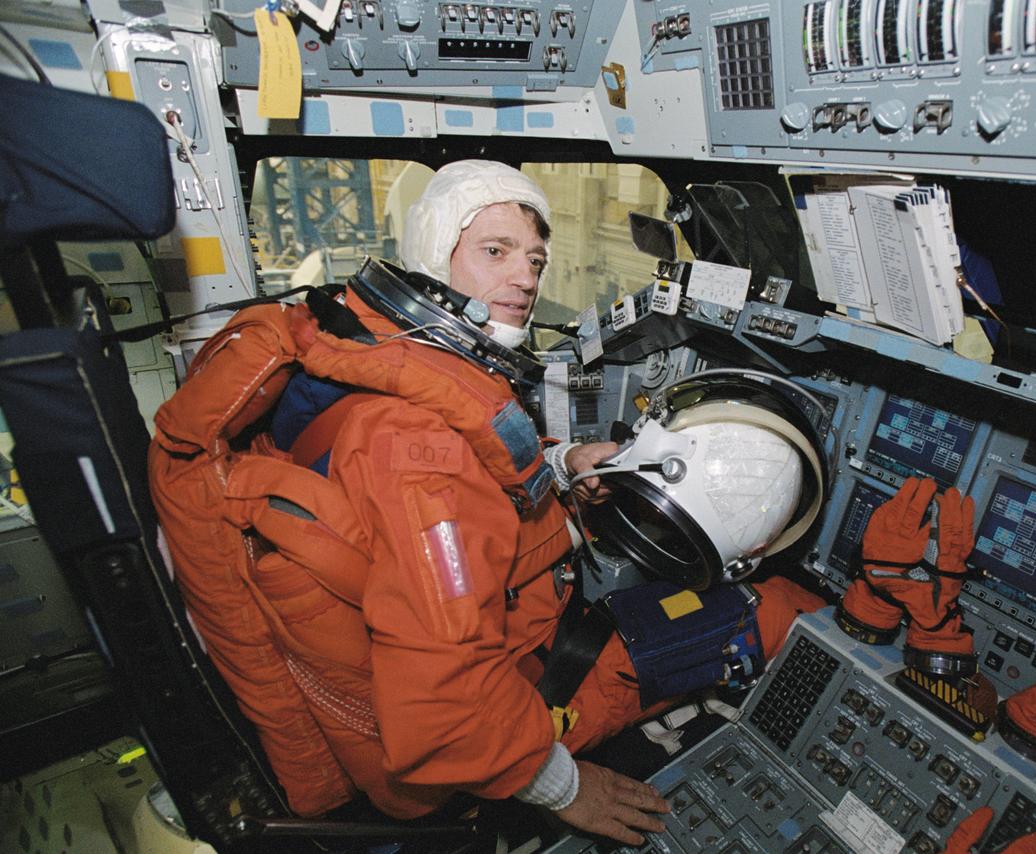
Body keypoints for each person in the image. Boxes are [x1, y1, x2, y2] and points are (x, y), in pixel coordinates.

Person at [150, 159, 824, 846]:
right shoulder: (419, 452)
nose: (526, 279)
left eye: (535, 259)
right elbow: (444, 708)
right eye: (494, 251)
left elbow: (448, 505)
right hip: (470, 728)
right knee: (770, 609)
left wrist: (560, 465)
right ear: (433, 254)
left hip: (424, 661)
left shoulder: (359, 356)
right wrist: (563, 787)